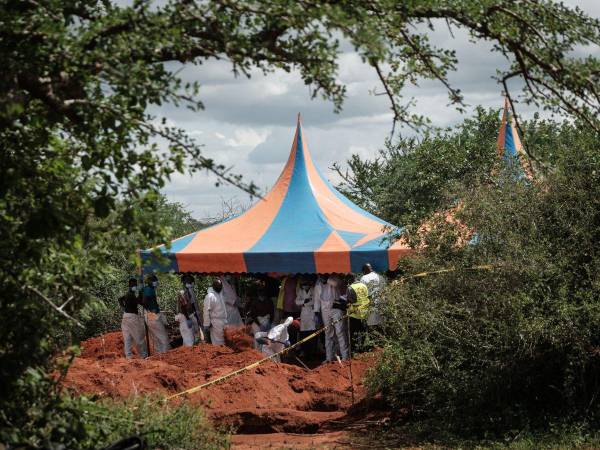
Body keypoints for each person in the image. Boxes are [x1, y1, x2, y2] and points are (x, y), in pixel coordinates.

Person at [314, 274, 349, 361]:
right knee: (328, 333)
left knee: (340, 332)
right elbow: (316, 299)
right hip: (325, 310)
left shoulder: (334, 278)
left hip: (336, 308)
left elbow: (337, 284)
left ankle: (345, 357)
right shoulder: (318, 283)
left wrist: (327, 279)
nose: (321, 276)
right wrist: (316, 312)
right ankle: (329, 357)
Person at [118, 278, 148, 359]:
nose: (135, 286)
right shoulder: (131, 295)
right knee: (139, 337)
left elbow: (120, 299)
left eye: (136, 285)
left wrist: (123, 307)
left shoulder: (128, 294)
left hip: (125, 316)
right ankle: (144, 355)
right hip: (132, 317)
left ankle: (128, 356)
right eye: (133, 285)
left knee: (127, 338)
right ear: (129, 286)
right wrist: (141, 292)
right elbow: (140, 302)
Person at [141, 274, 170, 354]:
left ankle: (159, 354)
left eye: (156, 280)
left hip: (149, 314)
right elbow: (144, 301)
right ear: (149, 281)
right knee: (163, 337)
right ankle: (166, 354)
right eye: (153, 280)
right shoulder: (149, 289)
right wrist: (151, 311)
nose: (155, 282)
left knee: (156, 338)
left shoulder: (148, 289)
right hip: (151, 314)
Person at [295, 277, 317, 358]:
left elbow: (314, 301)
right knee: (303, 333)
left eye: (307, 284)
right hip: (304, 314)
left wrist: (305, 303)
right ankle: (304, 351)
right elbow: (297, 302)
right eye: (304, 284)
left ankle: (312, 352)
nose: (305, 286)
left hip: (311, 313)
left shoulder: (313, 290)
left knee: (312, 332)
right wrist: (304, 301)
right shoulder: (300, 291)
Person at [345, 281, 370, 352]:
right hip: (364, 312)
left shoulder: (350, 288)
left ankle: (354, 350)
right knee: (363, 331)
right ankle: (362, 348)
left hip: (354, 314)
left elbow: (352, 300)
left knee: (353, 333)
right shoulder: (364, 285)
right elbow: (366, 297)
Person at [203, 278, 228, 346]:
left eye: (220, 285)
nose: (219, 287)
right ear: (213, 286)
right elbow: (206, 311)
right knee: (218, 342)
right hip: (216, 322)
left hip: (224, 321)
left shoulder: (220, 295)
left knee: (225, 340)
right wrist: (207, 324)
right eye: (218, 285)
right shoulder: (210, 296)